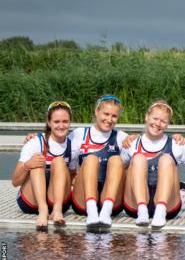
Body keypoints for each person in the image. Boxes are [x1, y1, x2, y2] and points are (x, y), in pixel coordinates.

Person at [121, 100, 185, 227]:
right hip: (134, 205)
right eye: (155, 118)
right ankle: (142, 211)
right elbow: (115, 172)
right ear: (146, 117)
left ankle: (160, 211)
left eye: (163, 121)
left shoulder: (177, 144)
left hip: (169, 206)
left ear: (167, 125)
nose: (158, 123)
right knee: (138, 158)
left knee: (166, 159)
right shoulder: (131, 143)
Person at [12, 101, 75, 230]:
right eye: (57, 122)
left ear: (70, 122)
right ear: (49, 122)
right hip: (32, 201)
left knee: (59, 161)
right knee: (37, 161)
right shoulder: (35, 142)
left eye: (65, 121)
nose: (61, 126)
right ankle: (43, 209)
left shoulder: (74, 145)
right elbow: (15, 182)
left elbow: (73, 177)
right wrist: (27, 165)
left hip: (58, 201)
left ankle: (57, 210)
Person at [71, 95, 128, 227]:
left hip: (111, 200)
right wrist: (34, 138)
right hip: (83, 200)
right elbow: (55, 146)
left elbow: (147, 149)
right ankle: (92, 211)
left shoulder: (122, 137)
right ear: (97, 112)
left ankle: (106, 211)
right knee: (91, 158)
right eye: (106, 114)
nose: (109, 119)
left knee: (116, 160)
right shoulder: (79, 134)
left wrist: (136, 137)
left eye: (114, 116)